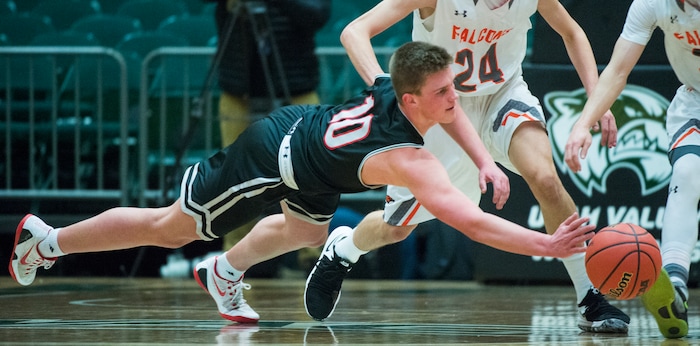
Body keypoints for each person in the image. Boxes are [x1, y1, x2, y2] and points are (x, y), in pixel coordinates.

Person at [8, 41, 595, 324]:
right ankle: (46, 241)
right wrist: (546, 244)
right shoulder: (412, 162)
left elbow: (456, 113)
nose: (455, 99)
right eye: (444, 91)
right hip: (275, 151)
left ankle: (224, 271)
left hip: (319, 162)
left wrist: (488, 164)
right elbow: (468, 221)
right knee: (170, 228)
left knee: (303, 231)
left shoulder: (399, 88)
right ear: (413, 98)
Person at [303, 0, 629, 333]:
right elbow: (354, 32)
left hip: (502, 96)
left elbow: (572, 31)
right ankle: (344, 249)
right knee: (397, 228)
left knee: (545, 179)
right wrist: (383, 86)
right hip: (442, 109)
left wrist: (596, 100)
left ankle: (589, 295)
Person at [564, 0, 697, 338]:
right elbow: (617, 71)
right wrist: (584, 123)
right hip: (695, 102)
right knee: (687, 172)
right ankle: (675, 285)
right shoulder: (653, 3)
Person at [210, 0, 331, 265]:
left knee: (310, 168)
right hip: (238, 88)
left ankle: (311, 256)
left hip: (295, 87)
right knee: (235, 172)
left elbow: (318, 14)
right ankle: (233, 257)